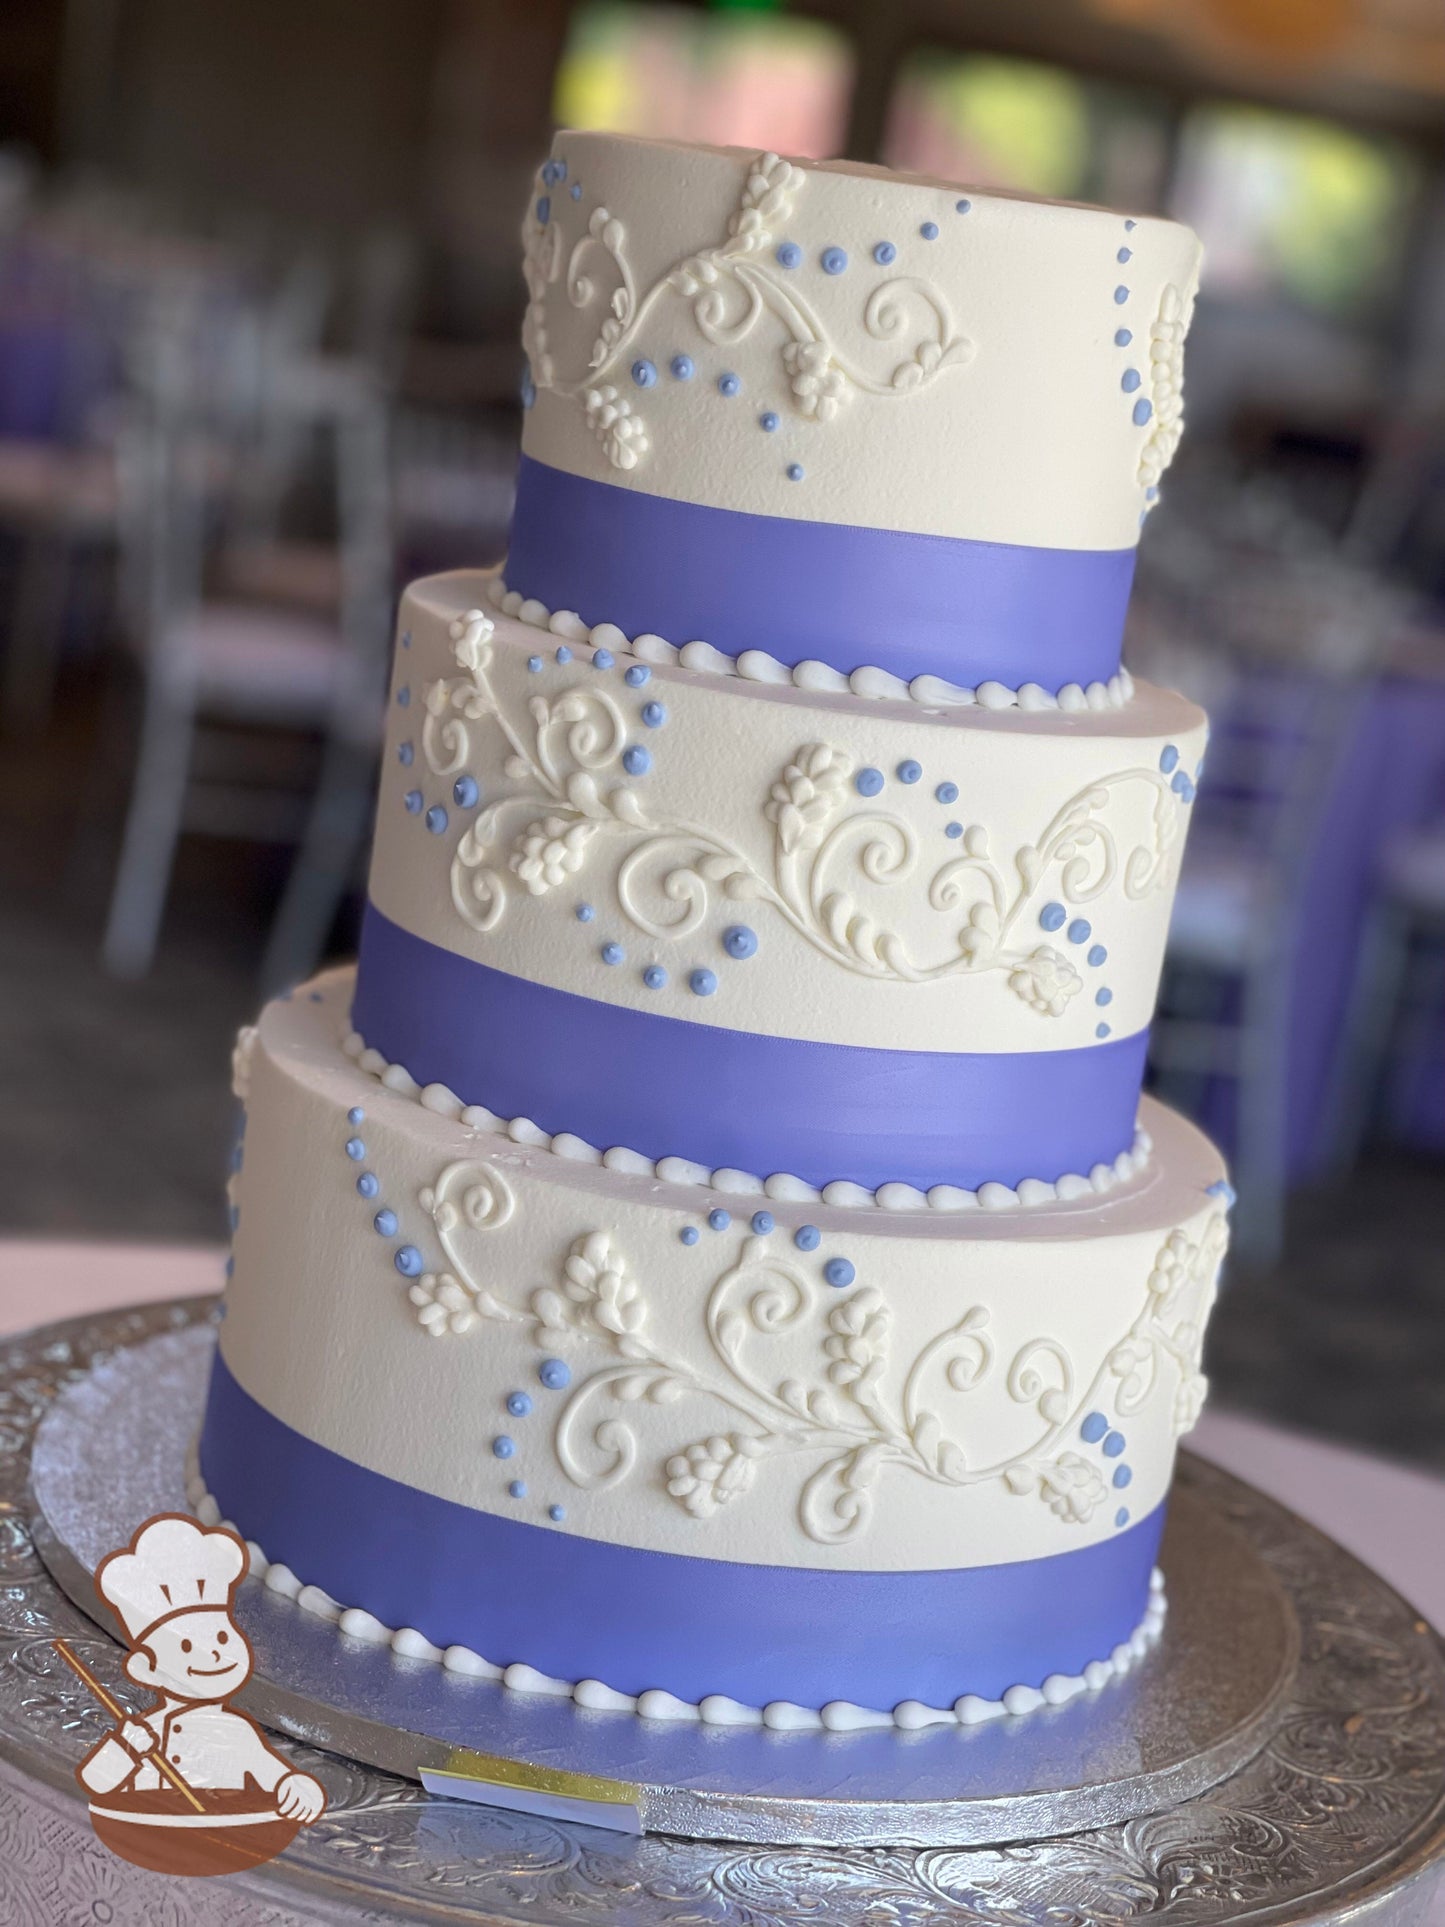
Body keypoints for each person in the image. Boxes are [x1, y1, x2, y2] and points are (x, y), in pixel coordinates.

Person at [76, 1512, 326, 1822]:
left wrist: (299, 1788)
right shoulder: (146, 1730)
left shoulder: (238, 1732)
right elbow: (95, 1782)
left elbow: (279, 1778)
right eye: (187, 1645)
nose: (216, 1654)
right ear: (146, 1669)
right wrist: (126, 1749)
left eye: (222, 1636)